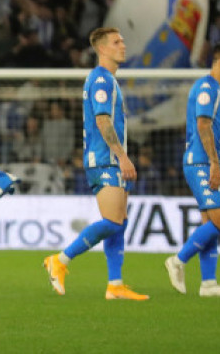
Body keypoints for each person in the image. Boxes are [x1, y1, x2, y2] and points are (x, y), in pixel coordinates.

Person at [43, 27, 148, 300]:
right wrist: (122, 156)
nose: (123, 46)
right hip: (104, 160)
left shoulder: (108, 80)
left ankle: (115, 285)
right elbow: (102, 121)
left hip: (109, 159)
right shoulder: (101, 80)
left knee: (120, 222)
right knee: (113, 221)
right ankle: (61, 260)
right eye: (116, 42)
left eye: (123, 41)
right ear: (102, 49)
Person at [164, 40, 220, 297]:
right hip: (202, 162)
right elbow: (202, 125)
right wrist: (213, 163)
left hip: (211, 161)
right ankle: (178, 260)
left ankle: (208, 283)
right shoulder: (206, 89)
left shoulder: (219, 91)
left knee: (210, 222)